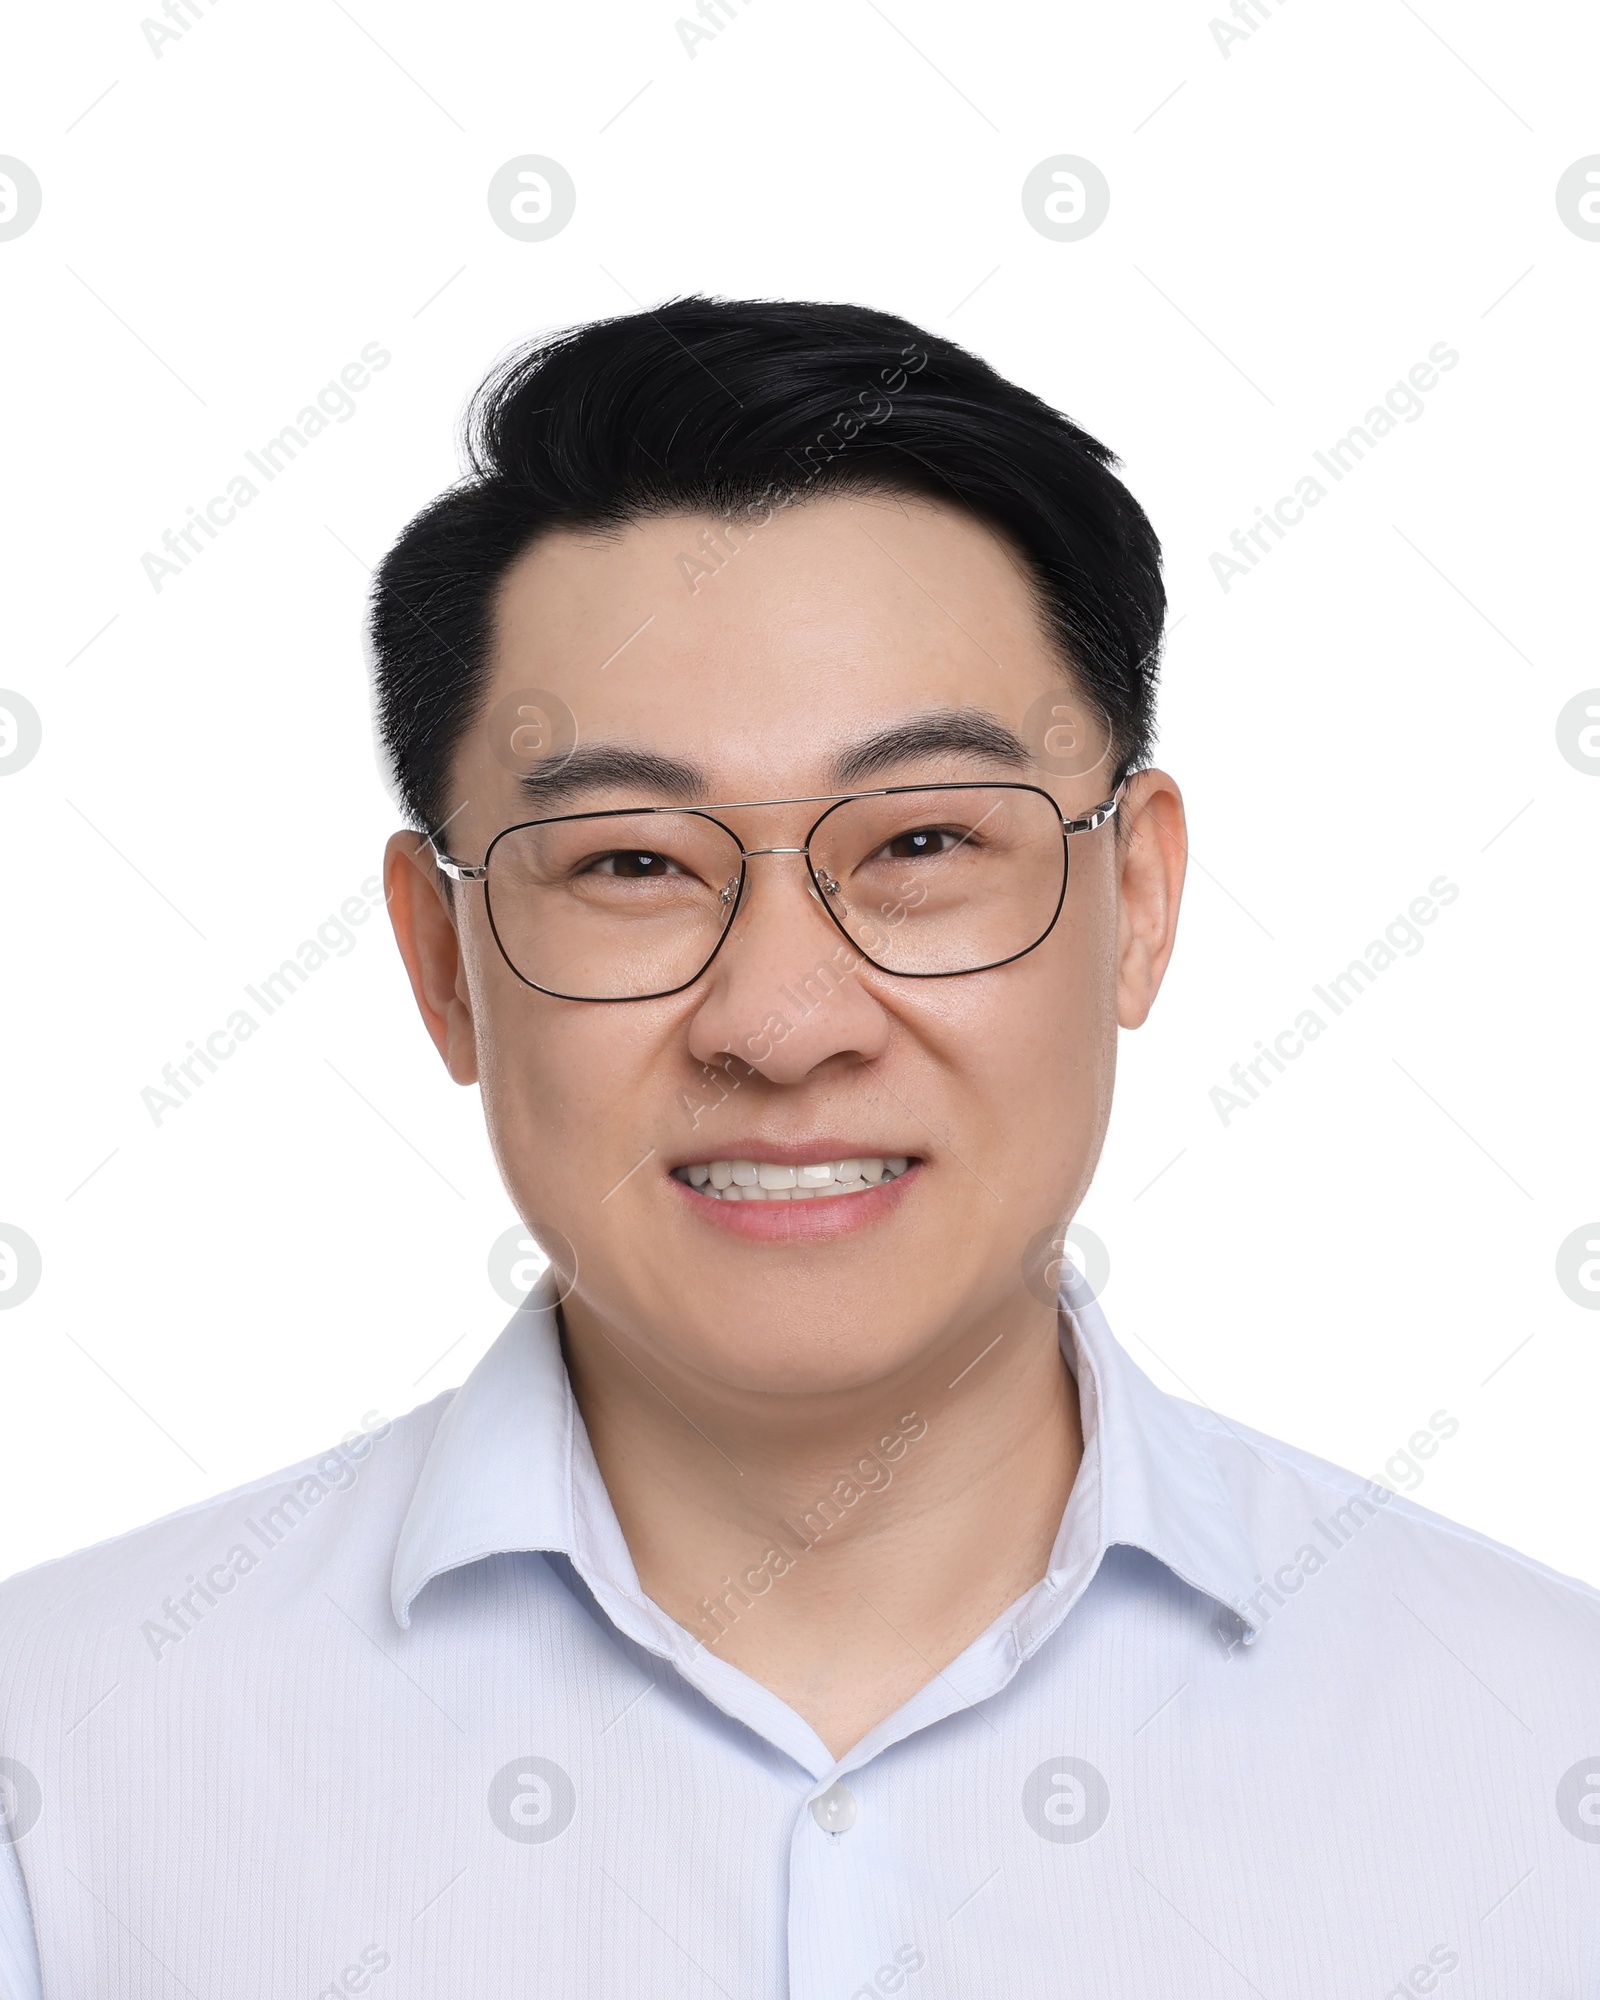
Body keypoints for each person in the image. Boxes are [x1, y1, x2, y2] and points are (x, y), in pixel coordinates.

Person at [1, 297, 1594, 1996]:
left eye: (918, 839)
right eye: (629, 863)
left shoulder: (1543, 1764)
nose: (781, 1018)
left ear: (1135, 902)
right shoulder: (65, 1769)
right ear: (438, 960)